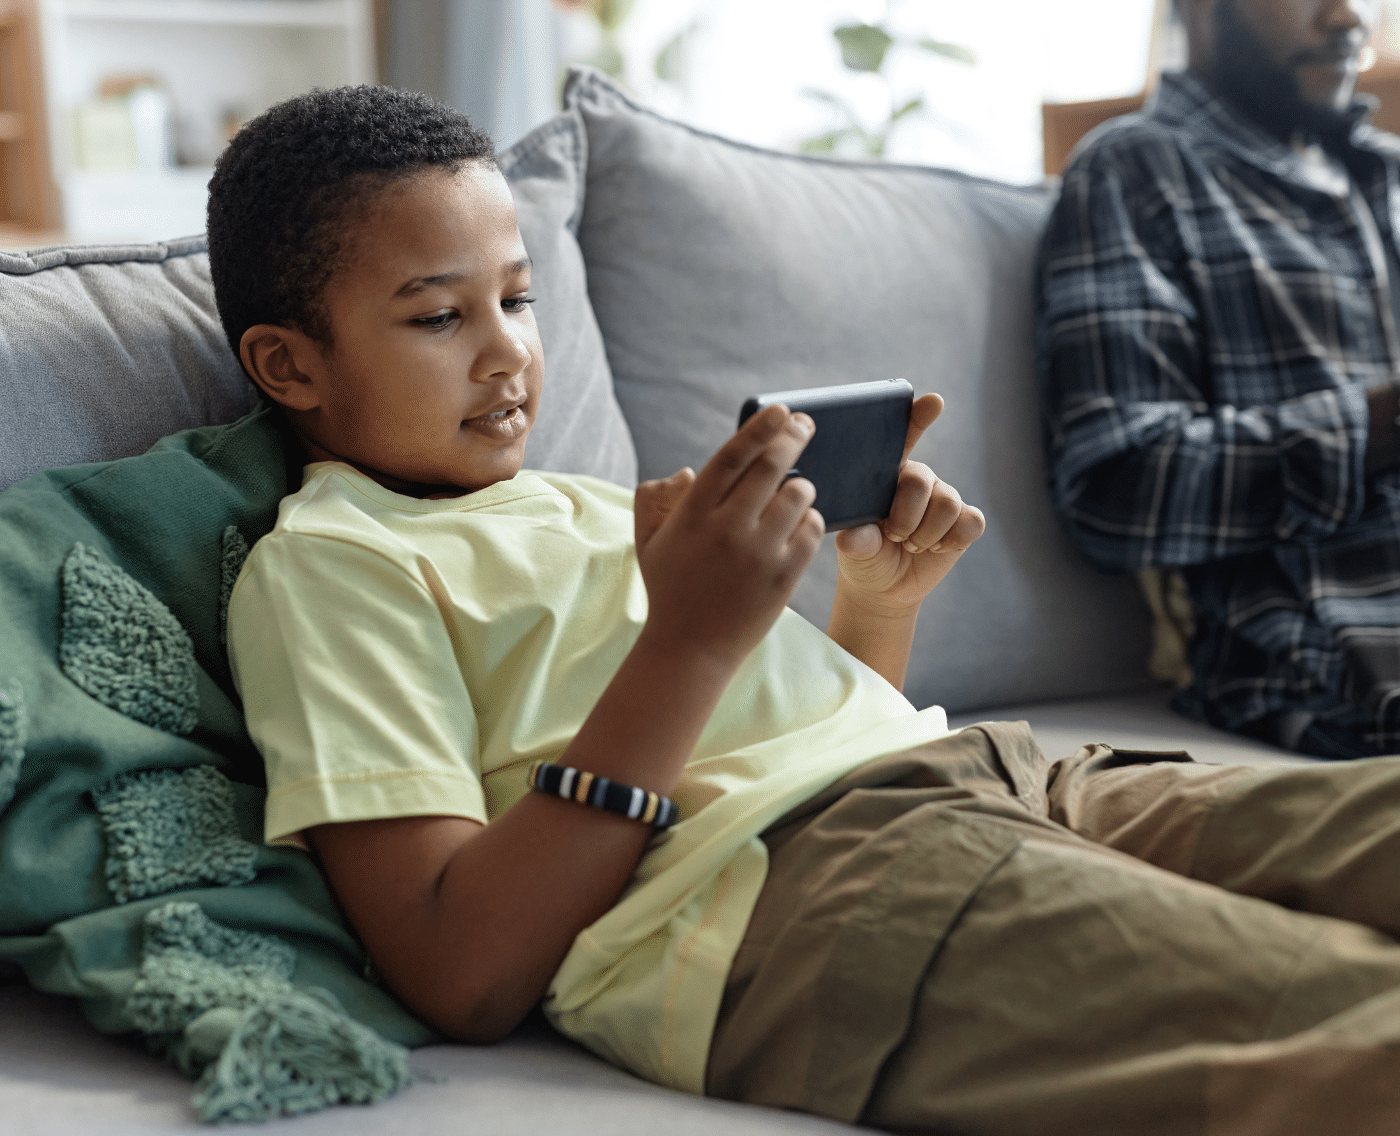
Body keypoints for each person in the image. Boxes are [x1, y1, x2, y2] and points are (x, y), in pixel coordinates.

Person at [220, 84, 1400, 1136]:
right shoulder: (331, 563)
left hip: (1005, 778)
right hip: (797, 893)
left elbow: (794, 733)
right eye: (439, 317)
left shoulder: (579, 504)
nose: (507, 357)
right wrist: (687, 635)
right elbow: (458, 967)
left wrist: (875, 605)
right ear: (288, 366)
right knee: (1349, 1029)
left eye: (518, 301)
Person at [1039, 0, 1400, 760]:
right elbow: (1116, 486)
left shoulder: (1385, 174)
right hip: (1336, 652)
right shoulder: (1137, 169)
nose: (1349, 19)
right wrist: (1382, 422)